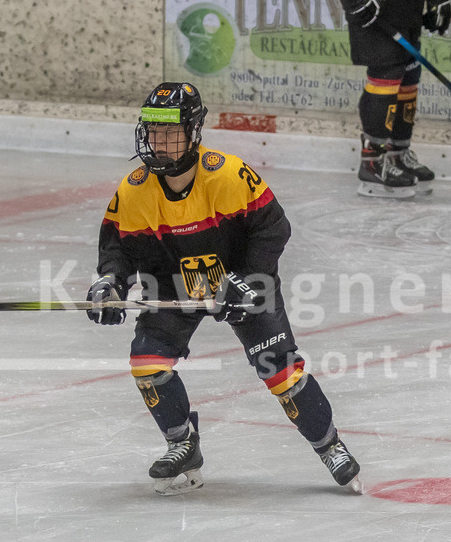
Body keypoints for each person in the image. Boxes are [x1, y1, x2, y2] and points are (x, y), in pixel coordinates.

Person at [85, 82, 361, 496]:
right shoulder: (134, 189)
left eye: (170, 133)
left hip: (241, 281)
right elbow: (118, 249)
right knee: (146, 362)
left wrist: (247, 282)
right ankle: (182, 444)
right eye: (153, 132)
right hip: (175, 284)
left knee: (279, 370)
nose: (159, 143)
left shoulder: (228, 174)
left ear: (194, 131)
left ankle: (330, 446)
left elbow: (274, 229)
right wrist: (110, 283)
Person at [337, 0, 451, 198]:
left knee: (408, 78)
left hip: (408, 2)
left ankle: (397, 153)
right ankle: (372, 161)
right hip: (374, 3)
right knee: (386, 77)